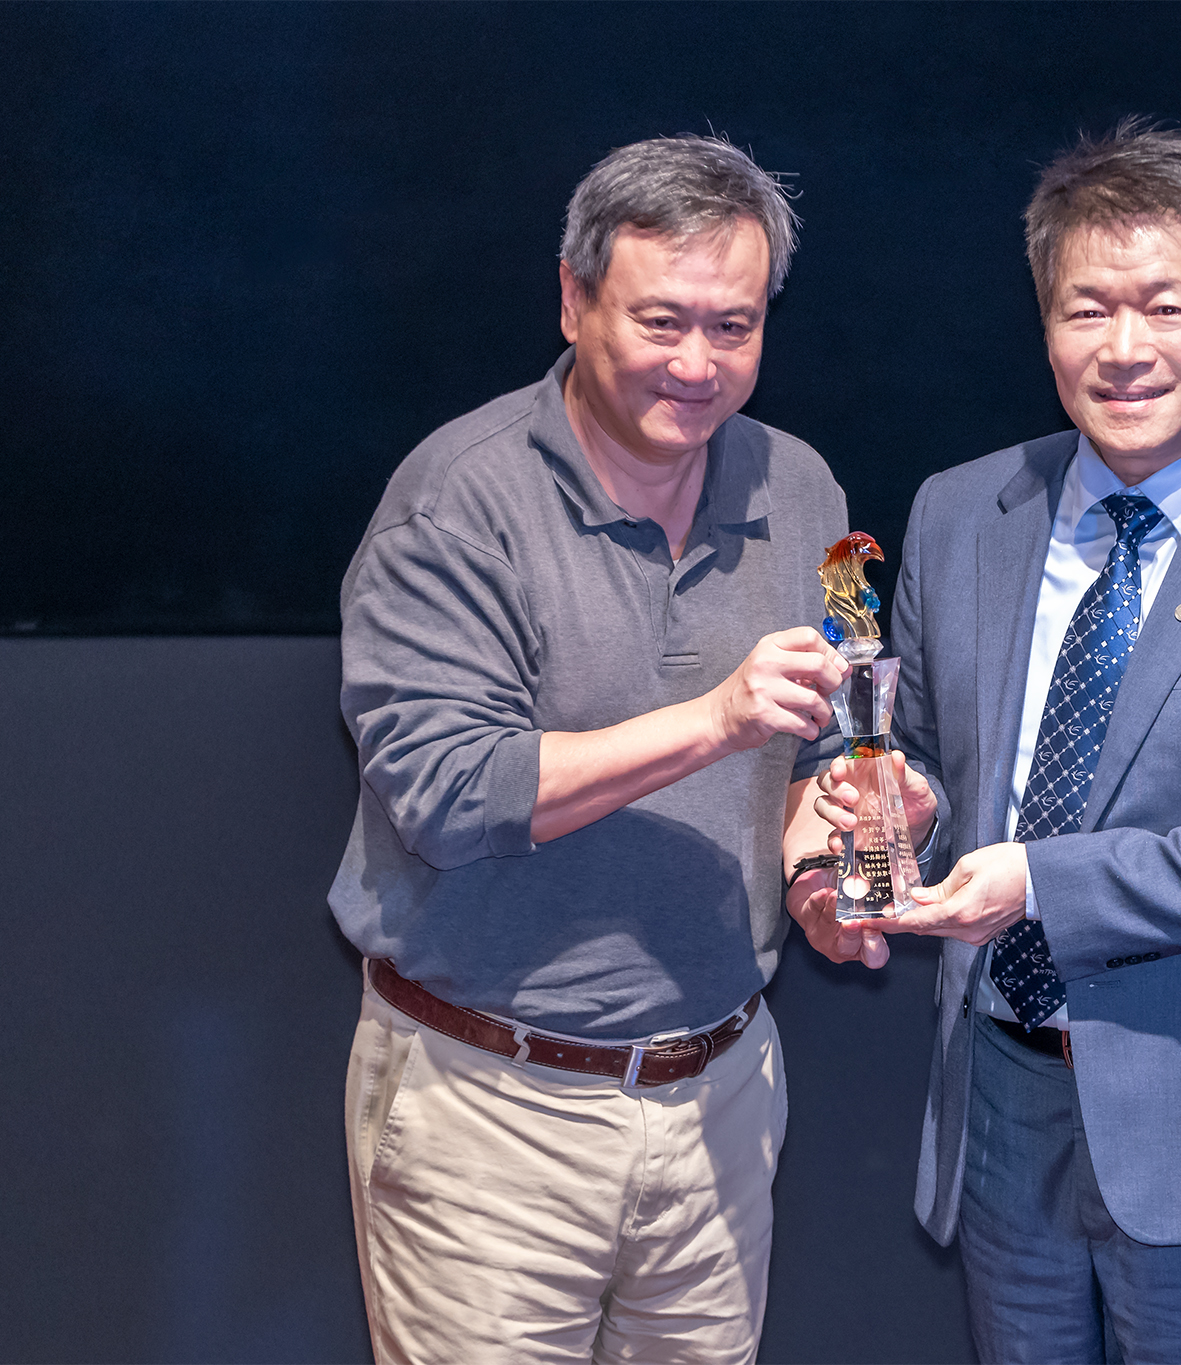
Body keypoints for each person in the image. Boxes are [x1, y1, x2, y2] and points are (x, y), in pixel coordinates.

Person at [797, 120, 1181, 1363]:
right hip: (1002, 1101)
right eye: (1086, 309)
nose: (1124, 348)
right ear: (1044, 328)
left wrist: (1037, 880)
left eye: (1163, 307)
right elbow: (915, 754)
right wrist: (895, 811)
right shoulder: (961, 510)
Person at [331, 134, 852, 1365]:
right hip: (490, 1109)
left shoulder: (804, 491)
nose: (696, 364)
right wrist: (715, 719)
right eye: (660, 321)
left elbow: (819, 749)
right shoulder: (456, 504)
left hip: (722, 1094)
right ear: (572, 302)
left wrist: (833, 865)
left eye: (732, 327)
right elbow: (448, 797)